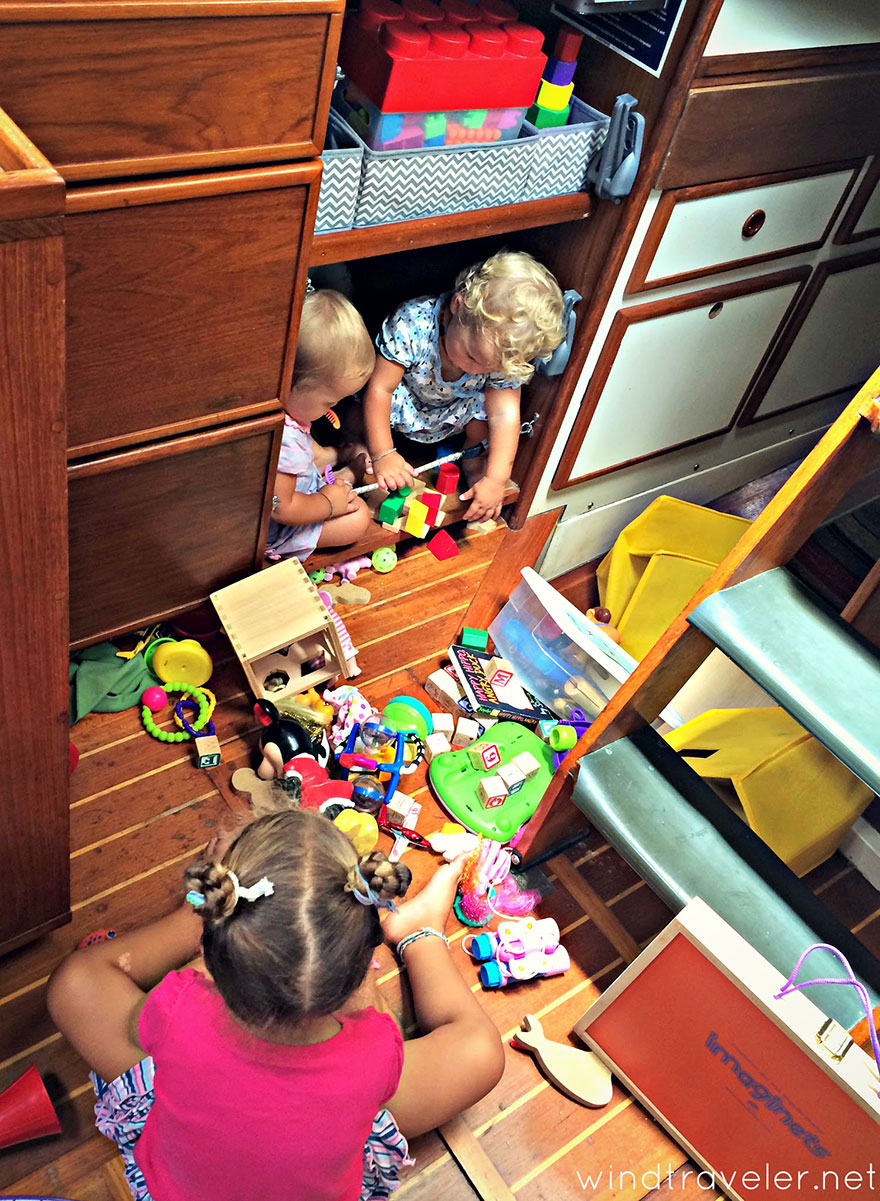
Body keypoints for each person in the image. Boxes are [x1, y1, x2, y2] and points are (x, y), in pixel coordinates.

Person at [47, 805, 505, 1201]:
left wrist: (206, 916)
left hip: (179, 1186)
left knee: (74, 983)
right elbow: (388, 1022)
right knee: (481, 1051)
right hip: (332, 1122)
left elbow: (90, 989)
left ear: (213, 938)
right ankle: (421, 934)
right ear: (360, 959)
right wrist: (357, 979)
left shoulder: (178, 1006)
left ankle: (192, 922)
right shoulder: (376, 1045)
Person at [363, 251, 565, 523]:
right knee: (361, 412)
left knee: (485, 416)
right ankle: (361, 450)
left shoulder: (497, 354)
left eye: (490, 368)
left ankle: (473, 461)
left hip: (451, 412)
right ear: (458, 305)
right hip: (404, 401)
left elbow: (505, 415)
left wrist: (496, 480)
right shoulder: (413, 322)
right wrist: (383, 454)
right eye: (472, 355)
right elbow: (380, 389)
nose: (476, 370)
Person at [266, 289, 375, 562]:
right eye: (329, 401)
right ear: (292, 383)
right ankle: (337, 490)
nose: (332, 409)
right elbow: (279, 507)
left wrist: (337, 456)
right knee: (359, 517)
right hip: (280, 525)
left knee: (333, 483)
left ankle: (343, 478)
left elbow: (305, 457)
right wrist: (327, 505)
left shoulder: (291, 416)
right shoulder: (284, 439)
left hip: (300, 493)